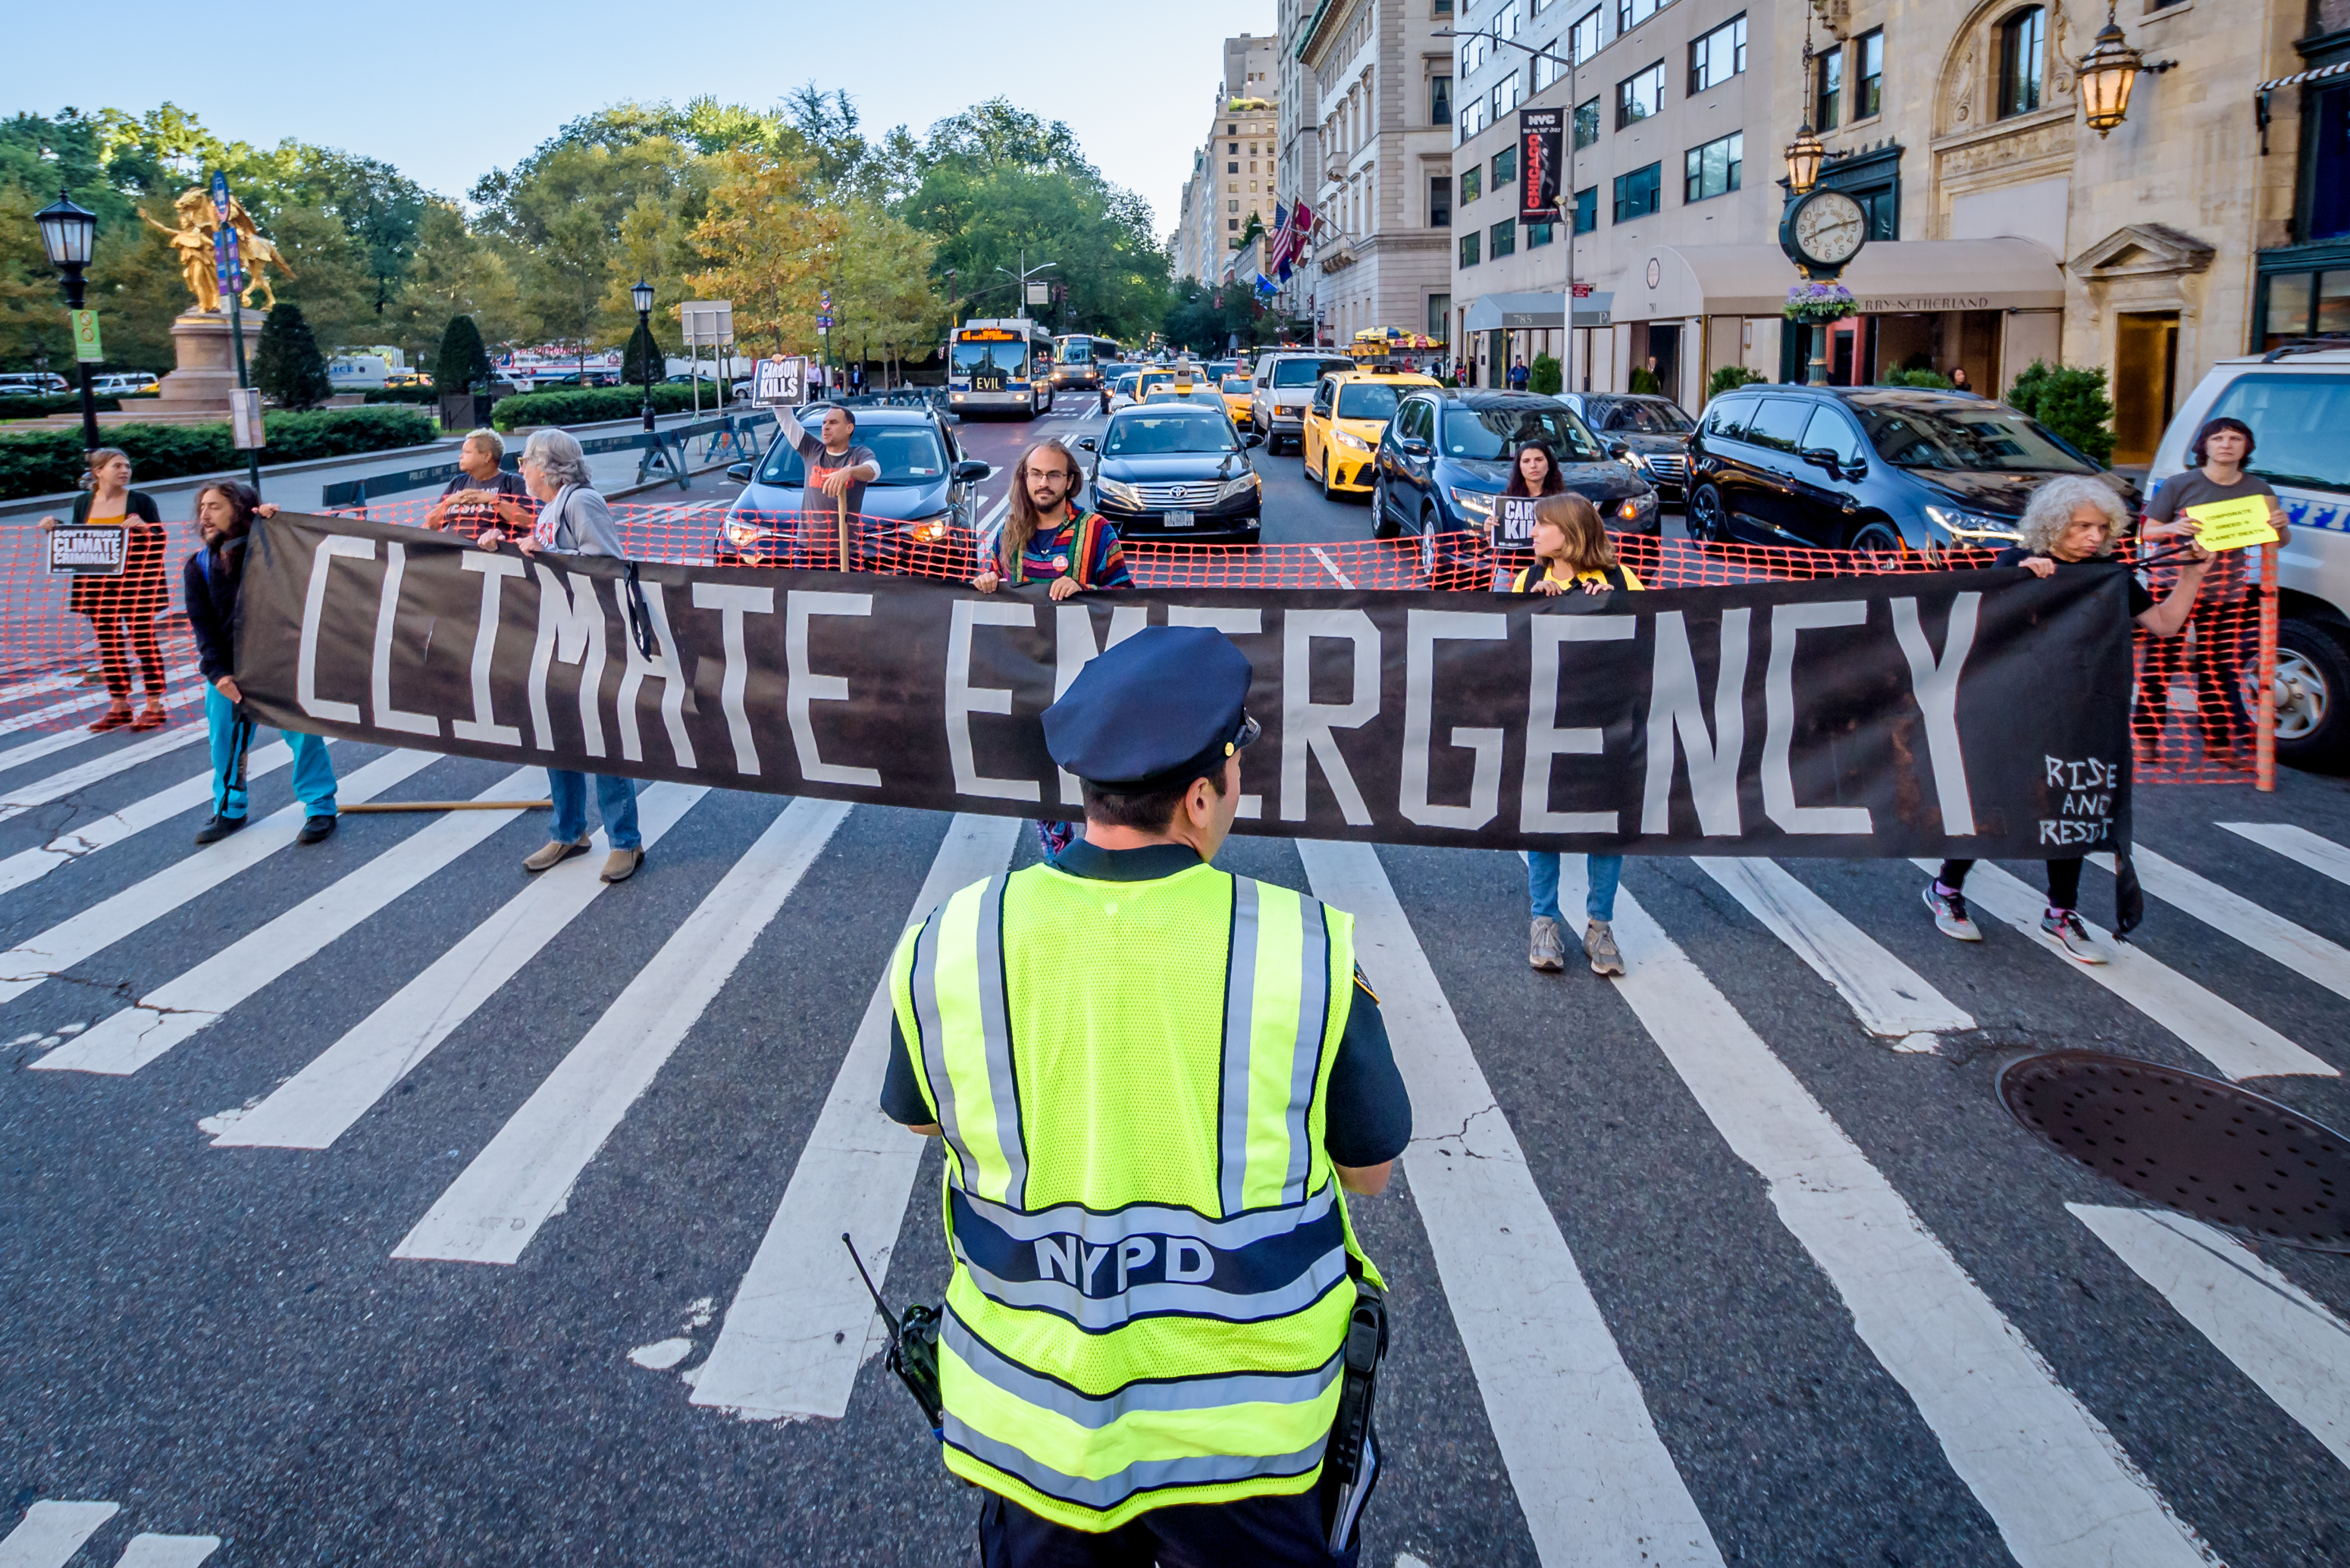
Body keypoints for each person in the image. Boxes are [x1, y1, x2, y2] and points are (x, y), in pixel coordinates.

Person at [878, 624, 1412, 1568]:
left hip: (1036, 1418)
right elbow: (1368, 1170)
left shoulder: (955, 935)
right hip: (1245, 1436)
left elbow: (927, 1109)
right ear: (1202, 795)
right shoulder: (1300, 947)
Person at [1924, 475, 2214, 962]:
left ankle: (2061, 912)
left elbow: (2164, 625)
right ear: (2054, 525)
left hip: (2078, 710)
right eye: (2083, 527)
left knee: (2068, 809)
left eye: (2102, 528)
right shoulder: (2016, 563)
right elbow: (1981, 627)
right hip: (2011, 707)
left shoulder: (2110, 575)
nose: (2095, 538)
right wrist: (2019, 581)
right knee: (1994, 800)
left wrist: (2193, 575)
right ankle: (1946, 889)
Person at [485, 428, 644, 884]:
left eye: (525, 461)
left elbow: (608, 566)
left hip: (593, 638)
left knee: (602, 739)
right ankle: (570, 832)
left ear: (548, 465)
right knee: (559, 736)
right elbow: (550, 561)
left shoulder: (581, 502)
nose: (521, 469)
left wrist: (549, 551)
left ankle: (624, 842)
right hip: (559, 636)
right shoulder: (553, 507)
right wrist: (509, 547)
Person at [973, 437, 1134, 860]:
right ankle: (1061, 866)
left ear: (1070, 481)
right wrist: (987, 583)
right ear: (1024, 479)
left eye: (1053, 475)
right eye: (1036, 474)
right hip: (1030, 682)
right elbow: (990, 576)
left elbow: (1128, 600)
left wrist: (1087, 588)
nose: (1044, 483)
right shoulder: (1009, 532)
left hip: (1087, 687)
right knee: (1045, 787)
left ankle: (1107, 861)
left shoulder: (1096, 530)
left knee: (1096, 785)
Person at [1508, 493, 1640, 977]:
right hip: (1548, 720)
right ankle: (1543, 921)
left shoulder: (1621, 580)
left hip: (1608, 723)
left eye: (1544, 526)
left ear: (1571, 533)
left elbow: (1656, 635)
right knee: (1544, 822)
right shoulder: (1528, 579)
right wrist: (1532, 609)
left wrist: (1613, 608)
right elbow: (1501, 646)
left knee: (1605, 827)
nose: (1535, 533)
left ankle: (1599, 926)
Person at [181, 481, 338, 845]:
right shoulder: (199, 566)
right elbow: (203, 627)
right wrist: (218, 674)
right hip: (229, 671)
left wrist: (281, 527)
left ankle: (319, 808)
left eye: (215, 506)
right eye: (202, 507)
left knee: (303, 737)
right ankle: (229, 808)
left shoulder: (272, 548)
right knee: (225, 741)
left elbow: (316, 562)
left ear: (240, 509)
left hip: (280, 664)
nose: (205, 515)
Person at [2135, 415, 2292, 768]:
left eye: (2235, 438)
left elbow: (2277, 541)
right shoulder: (2179, 484)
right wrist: (2175, 526)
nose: (2226, 444)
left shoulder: (2259, 490)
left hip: (2225, 589)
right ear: (2204, 446)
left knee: (2218, 667)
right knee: (2160, 664)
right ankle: (2147, 738)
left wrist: (2281, 527)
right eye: (2218, 438)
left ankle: (2218, 743)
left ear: (2246, 447)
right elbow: (2149, 532)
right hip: (2173, 587)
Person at [39, 449, 169, 732]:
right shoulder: (84, 501)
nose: (125, 471)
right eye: (117, 466)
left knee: (143, 642)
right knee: (109, 646)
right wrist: (55, 527)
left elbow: (160, 540)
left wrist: (146, 529)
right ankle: (120, 705)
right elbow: (79, 537)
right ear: (98, 472)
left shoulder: (141, 501)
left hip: (136, 585)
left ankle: (154, 704)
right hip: (97, 586)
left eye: (127, 465)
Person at [772, 399, 881, 540]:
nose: (826, 427)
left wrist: (849, 471)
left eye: (833, 422)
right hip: (807, 551)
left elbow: (874, 470)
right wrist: (779, 397)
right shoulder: (812, 450)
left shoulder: (859, 454)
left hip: (846, 550)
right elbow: (785, 417)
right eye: (824, 423)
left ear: (849, 428)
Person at [425, 427, 533, 541]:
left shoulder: (512, 482)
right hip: (454, 554)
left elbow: (529, 522)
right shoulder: (458, 482)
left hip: (491, 555)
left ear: (487, 456)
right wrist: (449, 502)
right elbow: (432, 525)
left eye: (467, 452)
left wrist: (494, 500)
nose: (460, 456)